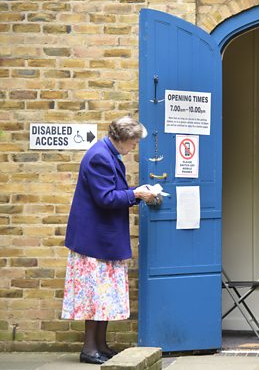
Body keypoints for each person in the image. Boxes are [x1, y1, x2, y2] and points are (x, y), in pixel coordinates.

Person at [61, 116, 157, 364]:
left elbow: (111, 193)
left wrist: (135, 194)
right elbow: (105, 198)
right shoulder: (99, 157)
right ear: (122, 139)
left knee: (102, 297)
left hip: (100, 240)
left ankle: (101, 346)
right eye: (134, 142)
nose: (135, 146)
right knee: (95, 296)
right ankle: (89, 349)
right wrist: (136, 194)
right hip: (93, 241)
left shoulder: (108, 154)